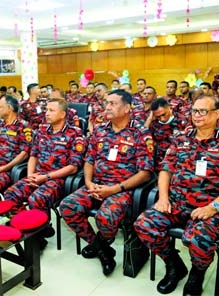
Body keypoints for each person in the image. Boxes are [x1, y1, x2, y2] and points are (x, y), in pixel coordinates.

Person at [134, 95, 219, 295]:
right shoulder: (181, 139)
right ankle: (174, 265)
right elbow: (165, 171)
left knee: (197, 239)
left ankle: (197, 273)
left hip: (211, 208)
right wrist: (162, 198)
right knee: (144, 224)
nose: (197, 115)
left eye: (203, 111)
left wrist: (213, 207)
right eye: (194, 111)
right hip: (176, 203)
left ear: (217, 113)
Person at [59, 89, 154, 276]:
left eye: (113, 103)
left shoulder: (141, 133)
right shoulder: (100, 130)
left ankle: (100, 245)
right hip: (96, 185)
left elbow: (145, 173)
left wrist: (113, 190)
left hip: (123, 189)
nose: (107, 107)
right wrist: (88, 182)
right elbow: (89, 160)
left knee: (105, 218)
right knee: (67, 207)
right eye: (107, 103)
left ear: (127, 108)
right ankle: (102, 250)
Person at [2, 97, 84, 247]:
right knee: (10, 195)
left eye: (51, 110)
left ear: (62, 114)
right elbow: (33, 155)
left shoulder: (75, 134)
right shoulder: (42, 130)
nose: (47, 113)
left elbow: (73, 167)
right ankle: (33, 232)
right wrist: (30, 175)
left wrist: (46, 177)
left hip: (59, 179)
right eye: (46, 109)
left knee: (36, 199)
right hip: (38, 175)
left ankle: (38, 231)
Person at [149, 98, 189, 171]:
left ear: (169, 108)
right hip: (157, 164)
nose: (162, 119)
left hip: (177, 164)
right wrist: (149, 119)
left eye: (164, 114)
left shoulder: (182, 121)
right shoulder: (153, 123)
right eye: (158, 116)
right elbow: (144, 139)